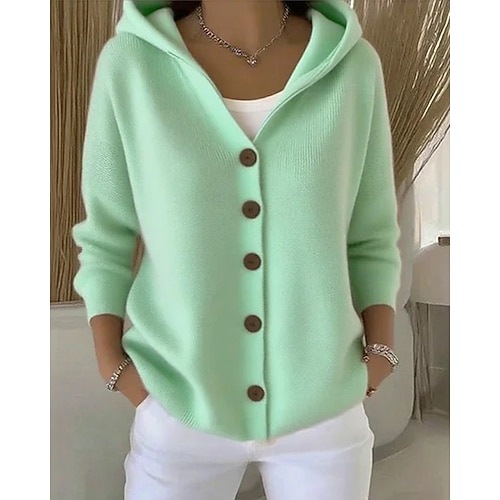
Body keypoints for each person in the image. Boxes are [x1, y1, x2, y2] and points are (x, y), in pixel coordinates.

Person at [72, 0, 402, 498]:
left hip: (323, 415)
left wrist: (380, 353)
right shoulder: (133, 64)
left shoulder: (352, 67)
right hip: (178, 405)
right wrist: (114, 367)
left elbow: (370, 233)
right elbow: (107, 234)